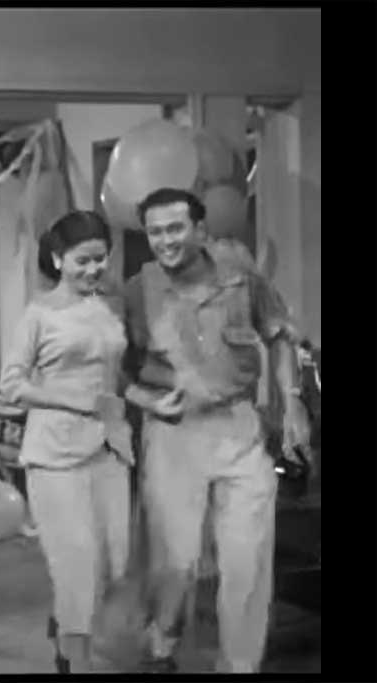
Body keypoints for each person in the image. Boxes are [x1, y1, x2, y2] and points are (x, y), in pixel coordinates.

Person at [122, 188, 310, 673]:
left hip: (239, 428)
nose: (165, 241)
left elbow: (280, 336)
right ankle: (162, 643)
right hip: (173, 434)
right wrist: (143, 398)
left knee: (247, 562)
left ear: (200, 230)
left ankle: (239, 664)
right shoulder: (137, 291)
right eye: (155, 232)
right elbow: (110, 368)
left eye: (175, 228)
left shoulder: (241, 278)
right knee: (176, 564)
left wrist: (292, 403)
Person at [0, 210, 133, 673]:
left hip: (110, 450)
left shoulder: (110, 307)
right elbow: (11, 385)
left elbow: (118, 375)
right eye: (83, 260)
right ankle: (76, 662)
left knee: (115, 566)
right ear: (58, 259)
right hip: (55, 456)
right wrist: (74, 401)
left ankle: (63, 626)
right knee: (78, 571)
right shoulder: (38, 315)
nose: (94, 269)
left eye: (101, 259)